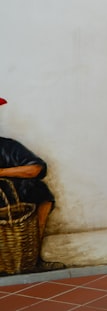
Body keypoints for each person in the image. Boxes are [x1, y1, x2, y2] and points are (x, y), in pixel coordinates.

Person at [0, 98, 63, 272]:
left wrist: (2, 173)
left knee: (40, 192)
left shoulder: (7, 147)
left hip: (13, 207)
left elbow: (36, 168)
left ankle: (32, 259)